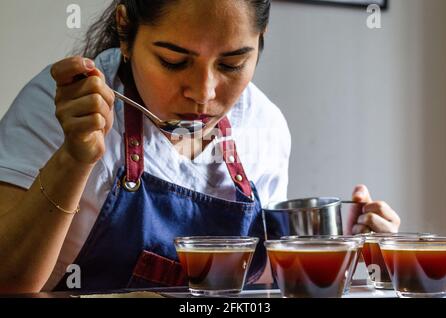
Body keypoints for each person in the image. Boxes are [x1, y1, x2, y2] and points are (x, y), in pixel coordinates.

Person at [0, 0, 400, 293]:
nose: (204, 94)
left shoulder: (264, 126)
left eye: (231, 64)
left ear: (260, 41)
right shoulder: (65, 106)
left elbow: (256, 289)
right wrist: (74, 158)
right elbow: (8, 281)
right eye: (174, 61)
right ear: (125, 30)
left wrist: (349, 253)